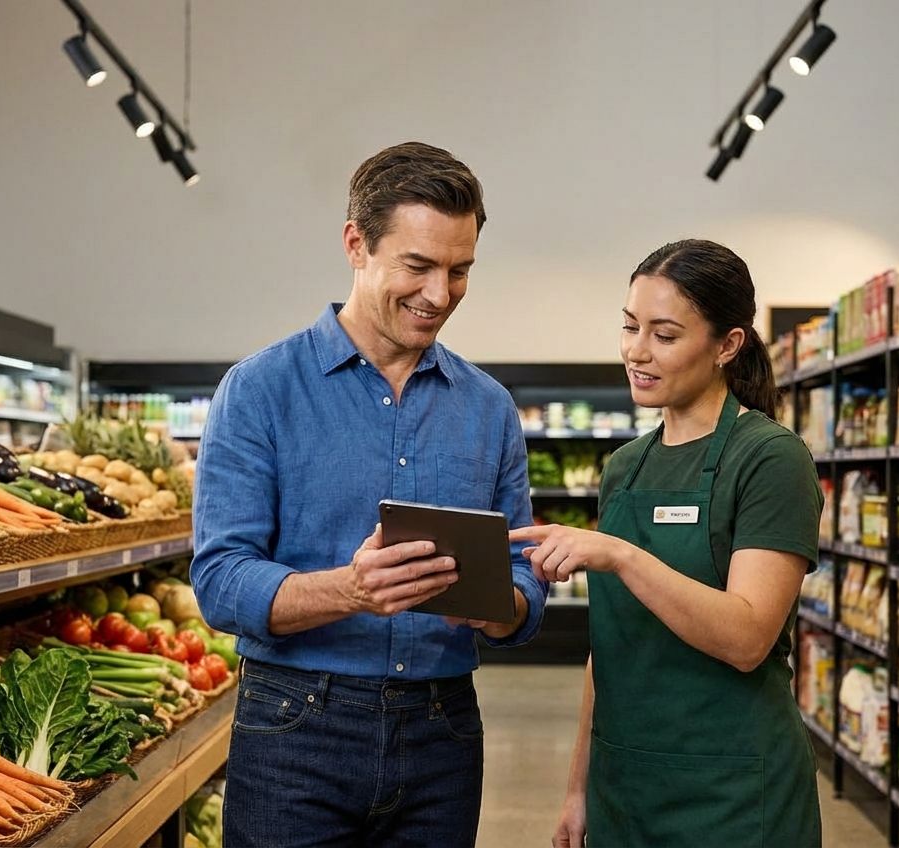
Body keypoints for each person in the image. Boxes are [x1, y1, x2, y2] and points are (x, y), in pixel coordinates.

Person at [191, 141, 546, 848]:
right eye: (417, 266)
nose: (439, 294)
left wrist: (497, 607)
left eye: (460, 270)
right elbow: (220, 581)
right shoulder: (261, 390)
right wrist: (350, 589)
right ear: (357, 244)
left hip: (443, 728)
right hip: (296, 728)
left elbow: (522, 583)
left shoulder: (489, 407)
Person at [512, 239, 823, 847]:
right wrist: (579, 788)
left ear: (727, 345)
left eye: (665, 334)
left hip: (733, 796)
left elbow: (746, 638)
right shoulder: (625, 467)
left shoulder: (769, 458)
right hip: (625, 789)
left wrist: (620, 555)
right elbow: (609, 650)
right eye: (630, 327)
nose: (637, 351)